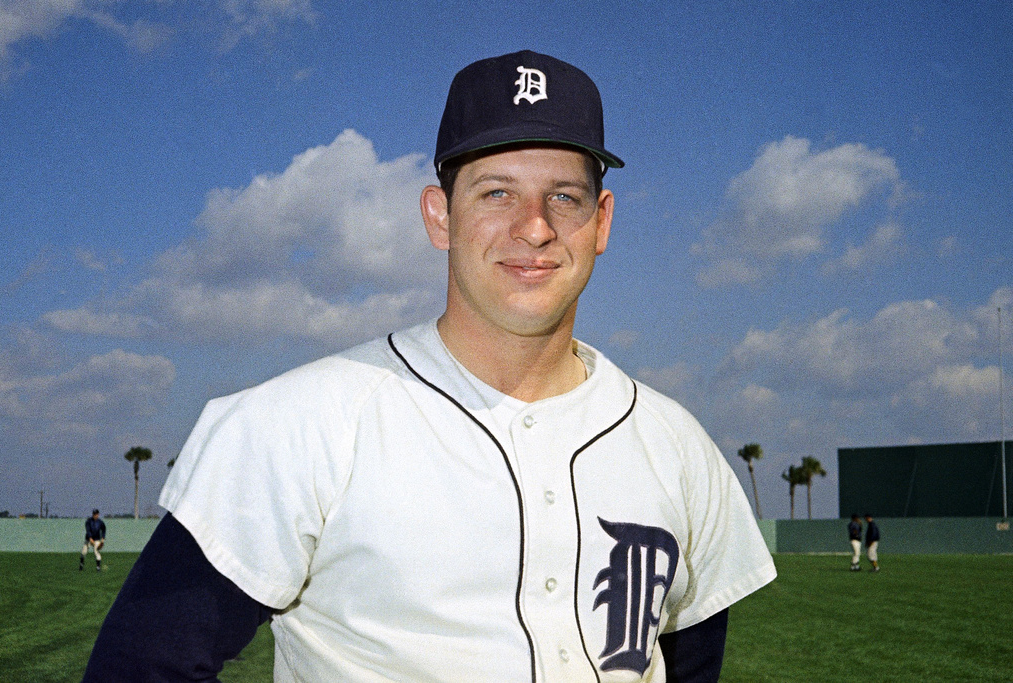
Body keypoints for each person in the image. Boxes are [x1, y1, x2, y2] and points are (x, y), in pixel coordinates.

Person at [84, 50, 776, 682]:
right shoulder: (301, 424)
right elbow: (139, 665)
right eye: (496, 192)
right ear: (439, 216)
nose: (534, 225)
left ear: (602, 222)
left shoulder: (678, 447)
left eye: (564, 195)